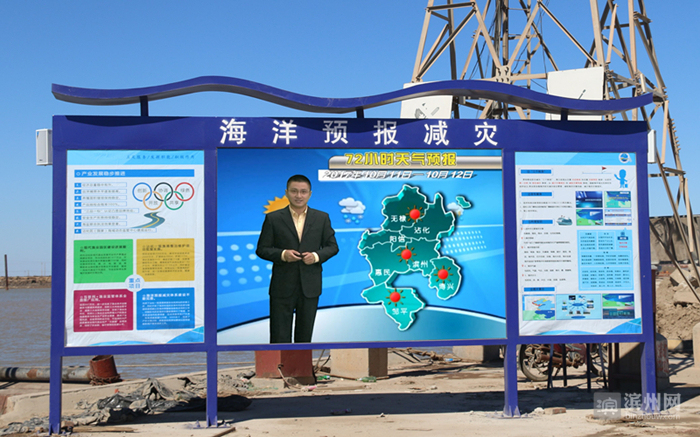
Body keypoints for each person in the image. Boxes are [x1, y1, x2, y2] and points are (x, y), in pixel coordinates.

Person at [256, 175, 339, 343]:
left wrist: (315, 257)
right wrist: (283, 255)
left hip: (310, 286)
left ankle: (302, 362)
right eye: (294, 191)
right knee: (279, 336)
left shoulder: (321, 218)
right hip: (282, 285)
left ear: (310, 194)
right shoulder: (273, 218)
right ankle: (280, 362)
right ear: (287, 192)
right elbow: (262, 249)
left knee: (304, 336)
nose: (298, 196)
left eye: (303, 192)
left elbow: (332, 246)